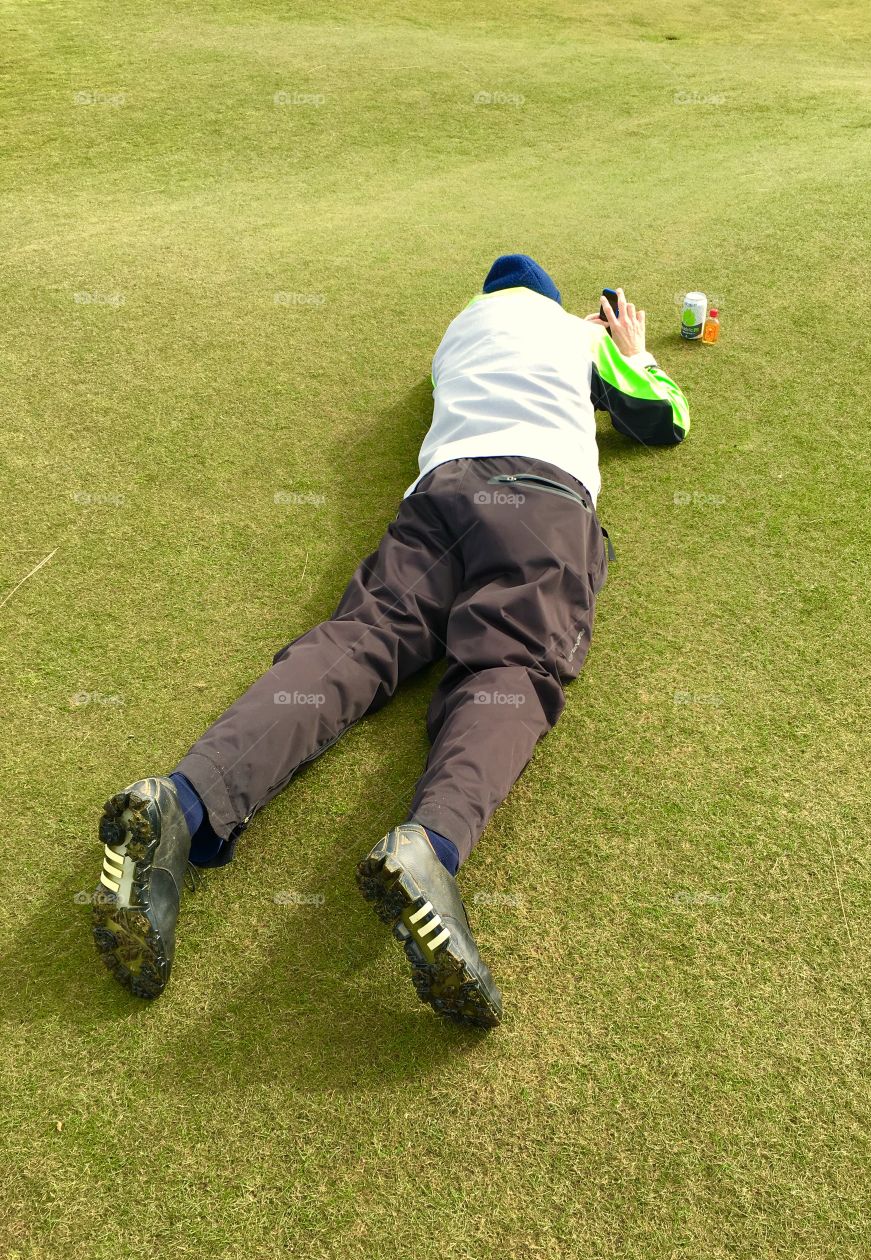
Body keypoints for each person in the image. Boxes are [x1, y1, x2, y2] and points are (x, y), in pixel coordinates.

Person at [91, 254, 690, 1029]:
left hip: (439, 495)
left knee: (359, 642)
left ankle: (185, 801)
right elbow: (661, 420)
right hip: (542, 499)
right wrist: (632, 350)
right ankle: (428, 848)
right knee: (511, 664)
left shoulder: (457, 340)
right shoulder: (575, 333)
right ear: (556, 301)